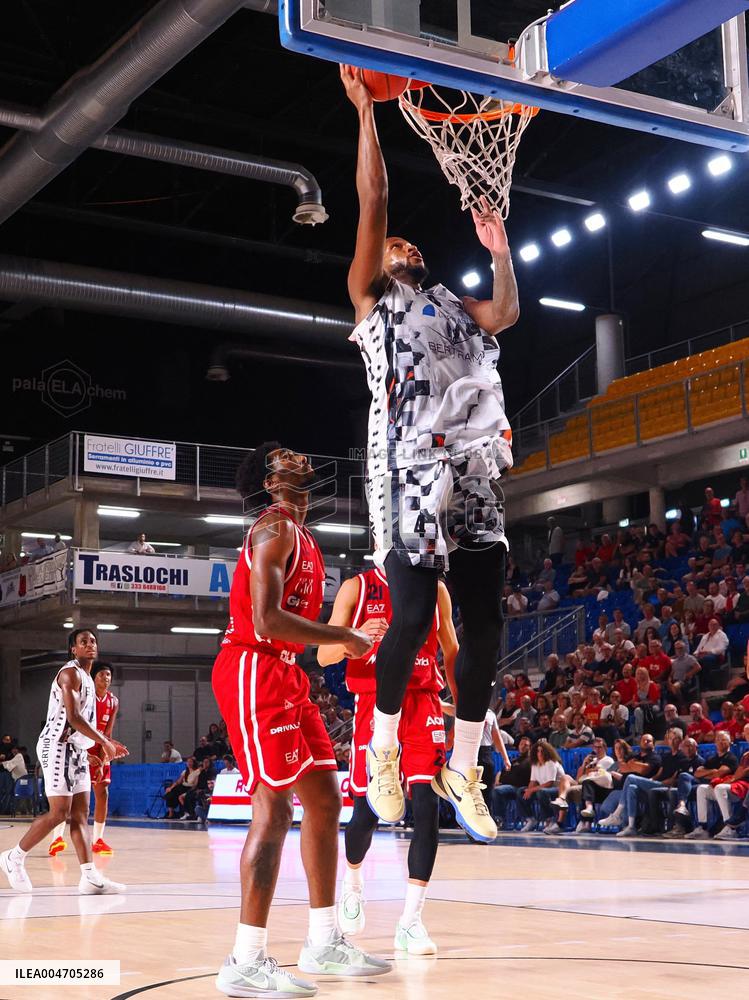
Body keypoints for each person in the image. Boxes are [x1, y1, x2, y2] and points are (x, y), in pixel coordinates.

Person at [341, 65, 519, 844]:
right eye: (395, 245)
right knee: (410, 619)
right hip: (408, 464)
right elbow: (373, 202)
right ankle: (380, 752)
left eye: (411, 243)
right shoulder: (372, 296)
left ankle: (465, 764)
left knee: (483, 624)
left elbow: (506, 310)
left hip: (476, 466)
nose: (403, 245)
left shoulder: (453, 303)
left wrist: (498, 246)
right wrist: (363, 115)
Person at [211, 442, 389, 996]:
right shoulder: (272, 528)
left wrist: (342, 641)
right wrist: (346, 636)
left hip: (287, 672)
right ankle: (244, 958)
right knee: (273, 808)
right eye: (287, 455)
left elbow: (293, 629)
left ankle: (322, 939)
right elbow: (265, 618)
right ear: (270, 477)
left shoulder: (305, 535)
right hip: (252, 666)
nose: (304, 458)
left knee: (326, 798)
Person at [319, 566, 459, 955]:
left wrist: (466, 704)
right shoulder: (357, 587)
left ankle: (411, 921)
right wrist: (355, 636)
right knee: (366, 812)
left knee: (427, 805)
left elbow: (451, 648)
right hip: (375, 705)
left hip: (424, 702)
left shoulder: (437, 589)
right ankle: (353, 885)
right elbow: (324, 654)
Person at [0, 629, 126, 895]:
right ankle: (13, 857)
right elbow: (73, 718)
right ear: (73, 649)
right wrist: (105, 742)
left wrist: (89, 749)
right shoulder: (69, 674)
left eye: (93, 641)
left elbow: (83, 726)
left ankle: (90, 876)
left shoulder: (90, 680)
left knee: (81, 814)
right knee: (59, 812)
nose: (89, 644)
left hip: (75, 748)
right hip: (55, 745)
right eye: (83, 642)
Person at [49, 660, 125, 858]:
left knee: (103, 792)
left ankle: (98, 840)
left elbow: (108, 732)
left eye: (109, 675)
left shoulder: (113, 701)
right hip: (79, 747)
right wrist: (86, 754)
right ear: (93, 677)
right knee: (71, 797)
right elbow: (73, 724)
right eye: (102, 675)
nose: (106, 678)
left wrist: (104, 753)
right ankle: (57, 838)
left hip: (101, 746)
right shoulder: (85, 696)